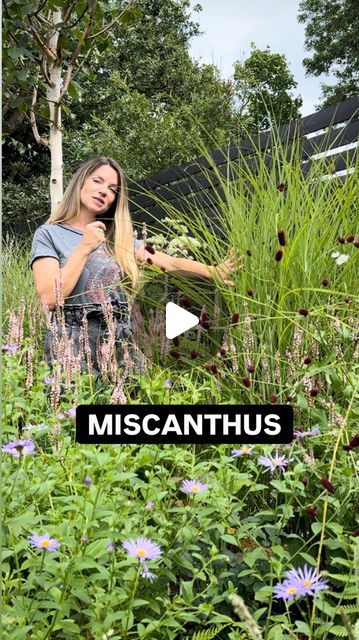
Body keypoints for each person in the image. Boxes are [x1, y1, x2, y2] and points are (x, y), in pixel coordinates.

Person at [31, 156, 240, 379]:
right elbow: (49, 299)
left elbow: (168, 262)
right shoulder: (49, 234)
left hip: (120, 339)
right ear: (81, 182)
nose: (104, 191)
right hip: (71, 341)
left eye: (112, 189)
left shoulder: (116, 238)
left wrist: (212, 271)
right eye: (97, 181)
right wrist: (84, 248)